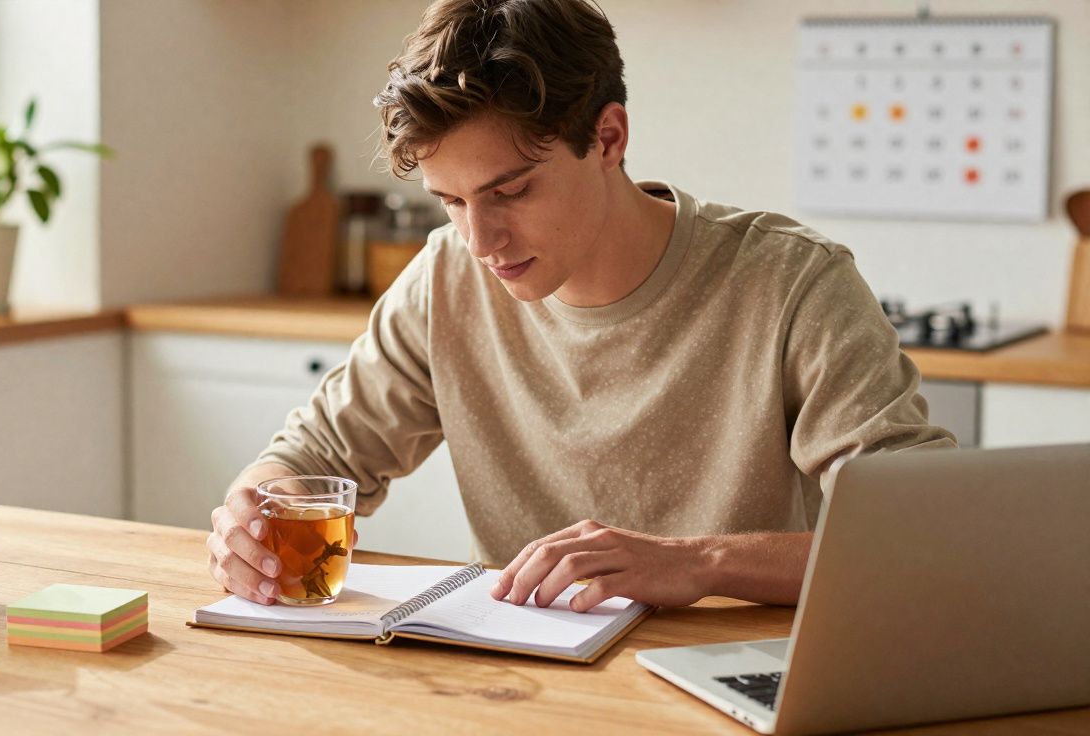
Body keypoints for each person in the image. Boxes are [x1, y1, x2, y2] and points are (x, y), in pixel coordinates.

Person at [207, 0, 955, 613]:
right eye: (450, 202)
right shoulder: (445, 279)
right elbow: (311, 461)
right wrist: (250, 515)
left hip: (733, 675)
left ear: (608, 136)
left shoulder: (791, 283)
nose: (480, 240)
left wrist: (699, 563)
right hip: (523, 685)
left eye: (510, 192)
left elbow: (918, 536)